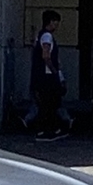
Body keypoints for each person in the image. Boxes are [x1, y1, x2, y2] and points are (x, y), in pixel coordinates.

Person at [31, 10, 66, 140]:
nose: (57, 26)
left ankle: (48, 129)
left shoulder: (39, 35)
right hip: (47, 76)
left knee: (46, 103)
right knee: (49, 102)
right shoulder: (47, 36)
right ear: (51, 22)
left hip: (41, 75)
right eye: (56, 22)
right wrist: (55, 71)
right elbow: (46, 55)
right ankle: (46, 130)